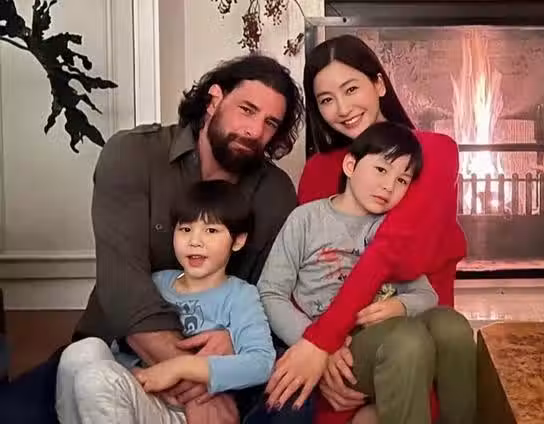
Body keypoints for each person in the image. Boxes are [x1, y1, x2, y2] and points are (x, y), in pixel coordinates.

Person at [0, 53, 307, 424]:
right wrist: (193, 381)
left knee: (295, 407)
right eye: (247, 110)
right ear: (214, 100)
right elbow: (123, 287)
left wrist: (231, 343)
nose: (255, 131)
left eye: (270, 123)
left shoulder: (274, 192)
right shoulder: (133, 154)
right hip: (119, 349)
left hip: (223, 360)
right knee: (14, 412)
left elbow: (267, 292)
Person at [265, 35, 476, 424]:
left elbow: (393, 255)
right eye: (326, 100)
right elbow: (299, 278)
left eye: (351, 89)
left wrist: (320, 342)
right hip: (352, 350)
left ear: (379, 84)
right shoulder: (318, 171)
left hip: (418, 333)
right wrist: (321, 347)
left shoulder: (431, 151)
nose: (343, 109)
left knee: (451, 330)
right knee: (407, 344)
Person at [259, 122, 445, 424]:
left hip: (377, 345)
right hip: (324, 346)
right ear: (350, 165)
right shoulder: (306, 219)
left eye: (402, 180)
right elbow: (270, 292)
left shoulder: (391, 229)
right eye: (381, 170)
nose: (389, 186)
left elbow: (426, 294)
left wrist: (401, 305)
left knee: (418, 335)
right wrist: (315, 344)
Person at [56, 180, 276, 424]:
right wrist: (134, 372)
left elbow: (261, 363)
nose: (195, 241)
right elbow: (122, 349)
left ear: (238, 241)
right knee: (81, 352)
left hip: (189, 412)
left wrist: (181, 367)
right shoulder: (157, 283)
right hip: (142, 394)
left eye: (211, 231)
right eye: (185, 229)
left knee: (96, 379)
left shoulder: (241, 295)